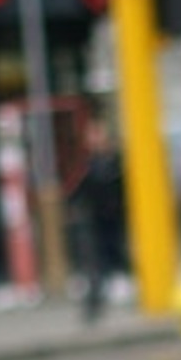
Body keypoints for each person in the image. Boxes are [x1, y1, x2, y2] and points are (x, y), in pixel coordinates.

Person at [69, 117, 130, 324]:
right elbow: (80, 190)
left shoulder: (116, 162)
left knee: (115, 250)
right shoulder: (89, 164)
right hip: (96, 219)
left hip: (116, 217)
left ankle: (119, 282)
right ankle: (95, 300)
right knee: (95, 258)